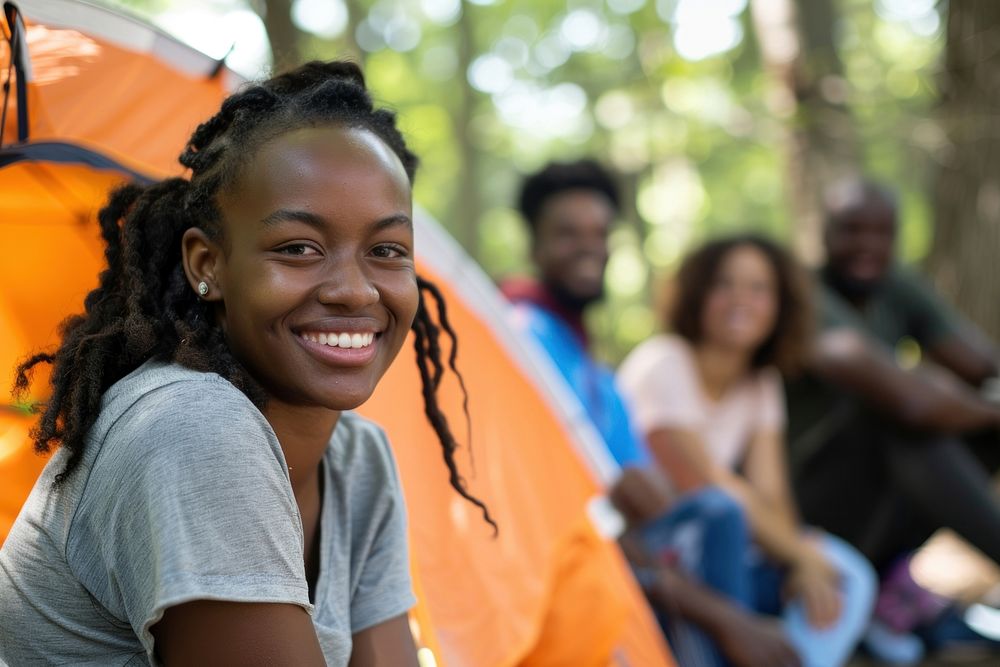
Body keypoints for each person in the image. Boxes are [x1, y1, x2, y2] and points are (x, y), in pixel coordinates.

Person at [0, 61, 491, 666]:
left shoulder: (357, 461)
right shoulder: (191, 431)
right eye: (299, 248)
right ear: (207, 264)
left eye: (386, 250)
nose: (355, 291)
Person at [503, 160, 804, 667]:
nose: (589, 246)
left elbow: (654, 504)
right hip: (567, 554)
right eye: (567, 233)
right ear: (534, 247)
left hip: (641, 552)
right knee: (720, 512)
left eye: (600, 233)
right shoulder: (520, 336)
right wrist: (731, 620)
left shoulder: (600, 377)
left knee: (738, 529)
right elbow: (579, 509)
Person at [618, 234, 877, 667]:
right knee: (723, 512)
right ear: (699, 294)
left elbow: (771, 492)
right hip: (658, 553)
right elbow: (705, 483)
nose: (742, 299)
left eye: (759, 288)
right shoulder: (663, 361)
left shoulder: (761, 383)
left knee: (847, 574)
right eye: (725, 284)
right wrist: (798, 554)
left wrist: (802, 561)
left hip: (724, 552)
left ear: (780, 305)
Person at [785, 180, 1000, 654]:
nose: (868, 246)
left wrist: (963, 398)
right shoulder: (804, 297)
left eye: (882, 232)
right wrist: (941, 394)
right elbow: (910, 403)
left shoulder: (895, 287)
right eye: (851, 230)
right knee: (895, 418)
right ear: (823, 234)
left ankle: (888, 583)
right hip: (801, 509)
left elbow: (981, 365)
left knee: (979, 423)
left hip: (878, 507)